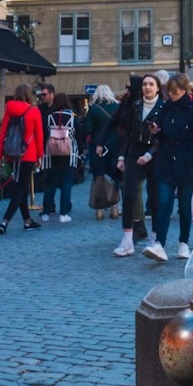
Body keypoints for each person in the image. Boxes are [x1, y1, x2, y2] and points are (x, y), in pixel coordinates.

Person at [144, 72, 193, 264]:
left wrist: (189, 161)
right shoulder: (166, 109)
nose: (172, 95)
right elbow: (160, 134)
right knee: (163, 203)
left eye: (175, 92)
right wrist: (156, 131)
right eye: (170, 91)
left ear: (184, 90)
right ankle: (159, 244)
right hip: (166, 161)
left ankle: (183, 243)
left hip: (186, 162)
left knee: (185, 207)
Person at [112, 73, 163, 257]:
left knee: (155, 198)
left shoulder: (163, 108)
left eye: (151, 84)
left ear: (157, 87)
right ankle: (127, 240)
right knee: (129, 194)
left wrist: (150, 154)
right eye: (144, 84)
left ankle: (155, 239)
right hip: (134, 151)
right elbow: (127, 133)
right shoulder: (136, 106)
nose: (147, 87)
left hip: (155, 154)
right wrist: (121, 157)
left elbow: (163, 138)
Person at [0, 85, 42, 233]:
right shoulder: (34, 111)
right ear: (29, 95)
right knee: (20, 189)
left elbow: (3, 134)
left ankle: (27, 221)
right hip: (27, 154)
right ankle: (5, 221)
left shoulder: (9, 110)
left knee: (22, 187)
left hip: (10, 153)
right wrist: (40, 156)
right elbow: (39, 135)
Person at [83, 84, 120, 219]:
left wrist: (94, 134)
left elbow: (86, 128)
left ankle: (99, 210)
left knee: (99, 176)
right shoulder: (117, 107)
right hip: (115, 146)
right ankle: (114, 208)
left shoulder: (93, 109)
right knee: (114, 176)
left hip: (98, 146)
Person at [42, 92, 79, 222]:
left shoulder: (49, 117)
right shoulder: (72, 117)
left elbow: (45, 133)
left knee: (50, 183)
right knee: (66, 183)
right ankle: (63, 213)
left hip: (51, 153)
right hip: (69, 153)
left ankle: (46, 212)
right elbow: (79, 133)